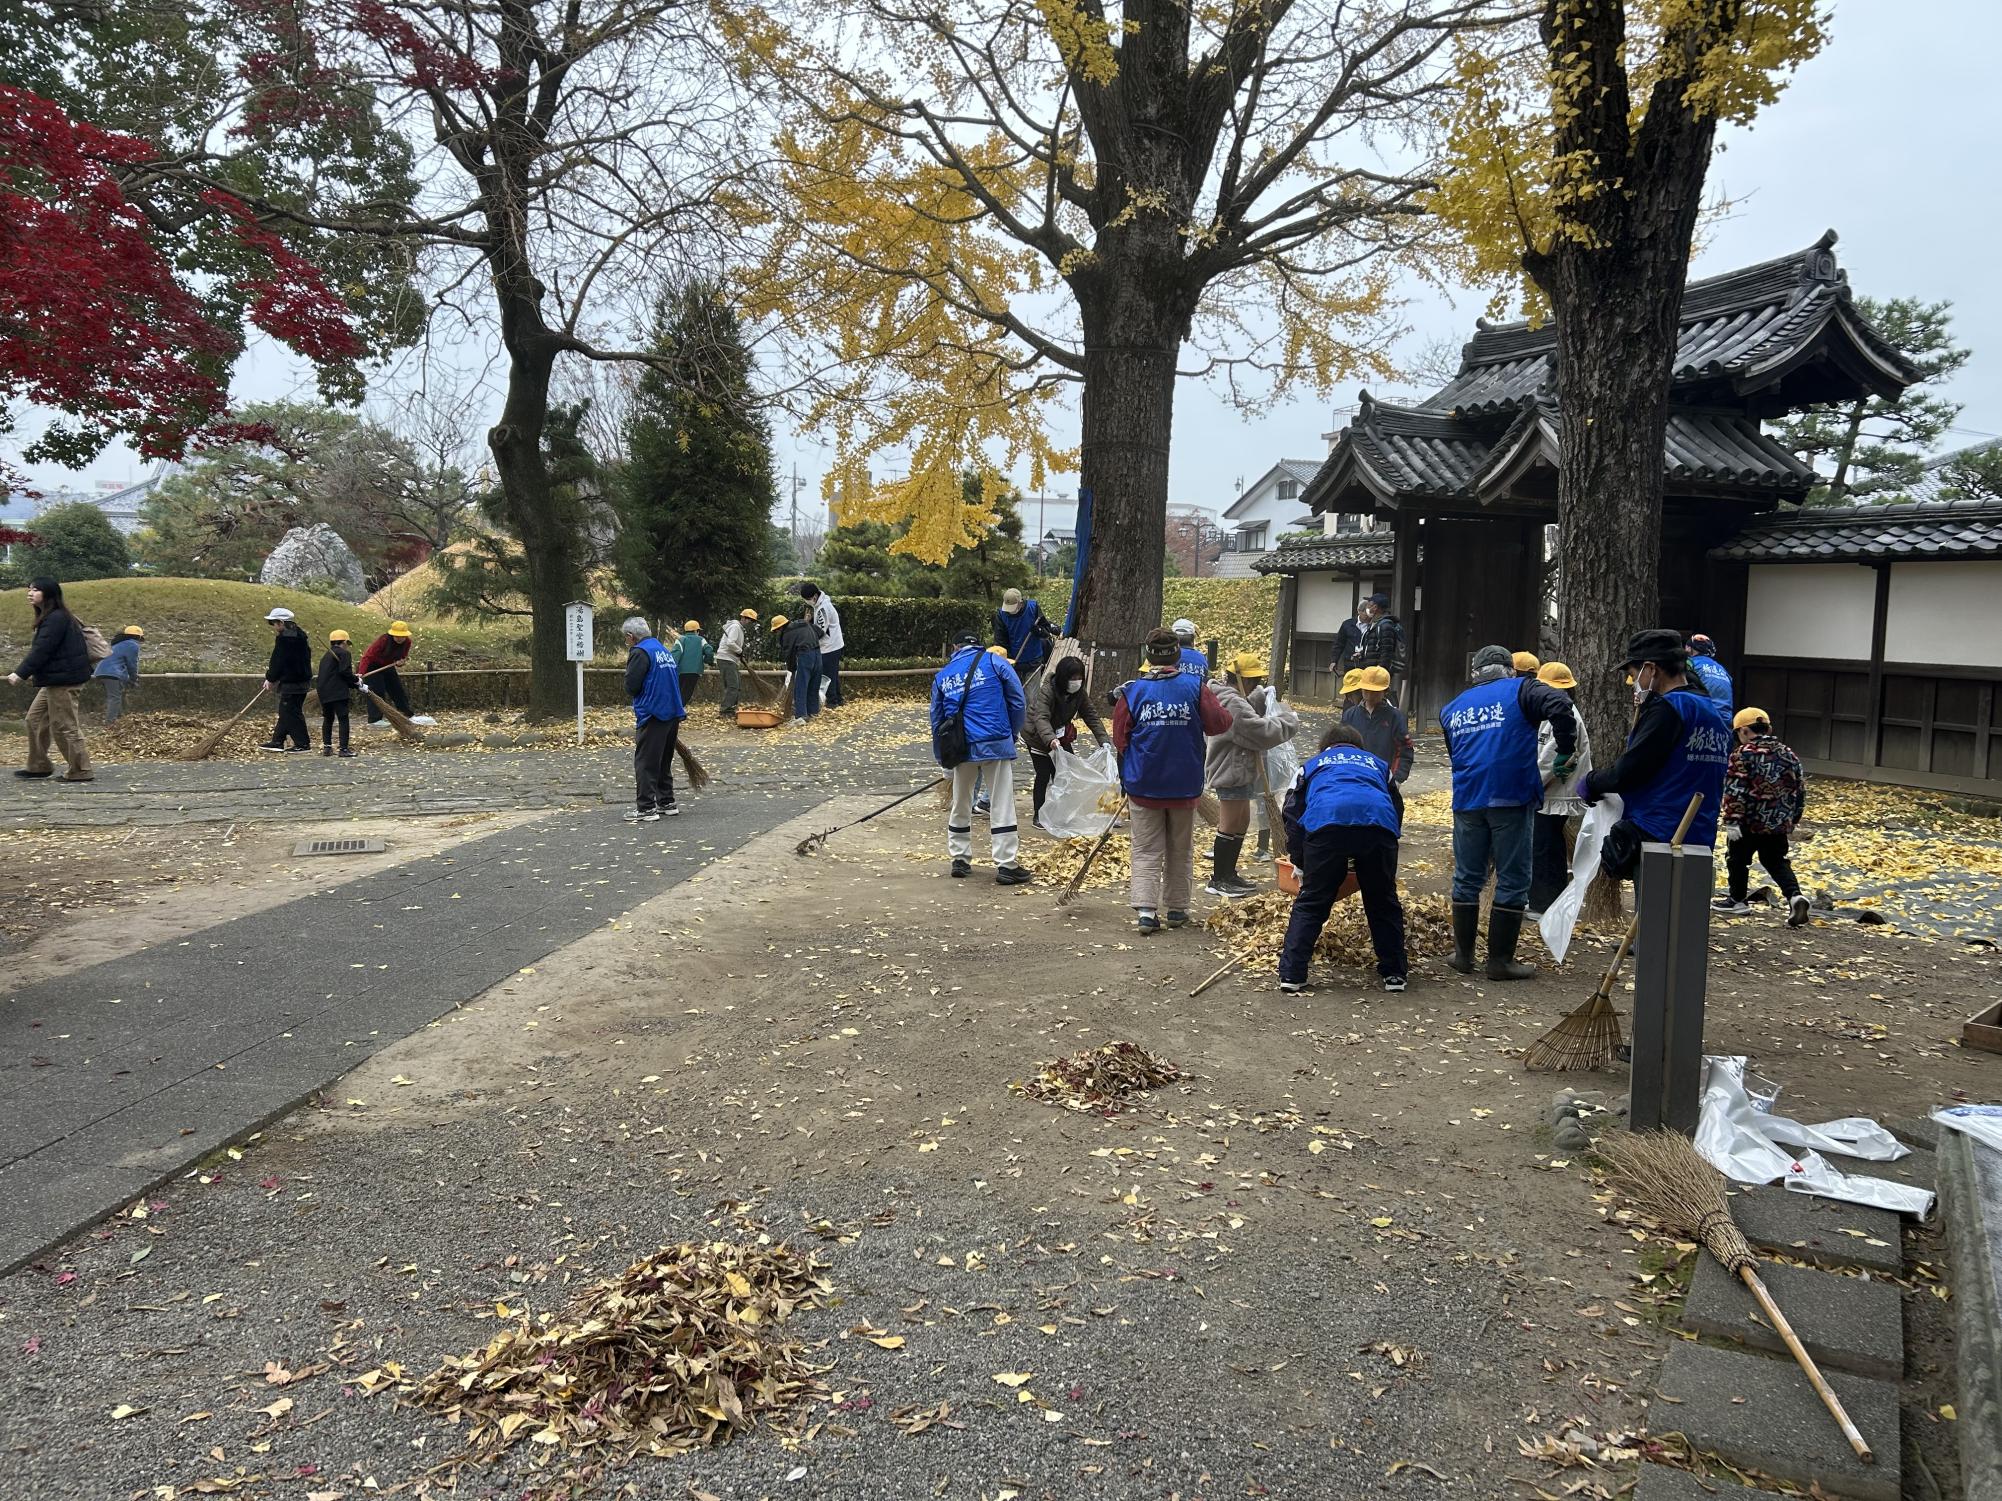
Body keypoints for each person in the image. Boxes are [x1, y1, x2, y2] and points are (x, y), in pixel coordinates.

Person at [1439, 643, 1578, 980]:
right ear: (1509, 669)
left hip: (1468, 799)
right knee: (1513, 878)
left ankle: (1463, 956)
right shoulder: (1522, 690)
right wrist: (1565, 748)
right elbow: (1561, 703)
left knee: (1468, 877)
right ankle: (1500, 961)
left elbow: (1453, 751)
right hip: (1510, 797)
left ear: (1475, 675)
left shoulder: (1452, 708)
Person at [1582, 628, 1733, 880]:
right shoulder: (1712, 712)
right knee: (1685, 914)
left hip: (1660, 834)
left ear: (1651, 669)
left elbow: (1630, 771)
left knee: (1656, 915)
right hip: (1699, 833)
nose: (1634, 684)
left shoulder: (1669, 709)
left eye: (1634, 674)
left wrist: (1590, 782)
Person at [1114, 627, 1233, 934]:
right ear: (1178, 654)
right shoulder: (1196, 687)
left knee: (1145, 848)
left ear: (1147, 656)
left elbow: (1120, 739)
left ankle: (1145, 911)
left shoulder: (1133, 691)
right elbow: (1220, 723)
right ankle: (1177, 909)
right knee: (1180, 847)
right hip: (1184, 784)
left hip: (1143, 784)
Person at [1278, 723, 1407, 994]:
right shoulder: (1378, 765)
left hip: (1326, 825)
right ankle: (1394, 973)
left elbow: (1291, 813)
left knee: (1313, 901)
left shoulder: (1311, 765)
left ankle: (1292, 973)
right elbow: (1396, 806)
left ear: (1325, 746)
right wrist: (1387, 844)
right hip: (1377, 827)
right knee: (1383, 900)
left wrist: (1301, 861)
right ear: (1359, 747)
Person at [930, 630, 1030, 884]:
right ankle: (1006, 864)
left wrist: (943, 760)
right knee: (1001, 802)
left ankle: (960, 859)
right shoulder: (995, 662)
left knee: (961, 802)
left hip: (961, 747)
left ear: (955, 647)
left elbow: (937, 721)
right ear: (978, 645)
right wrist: (1013, 732)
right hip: (995, 741)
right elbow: (1018, 701)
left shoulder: (942, 676)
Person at [1203, 652, 1298, 898]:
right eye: (1253, 681)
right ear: (1241, 679)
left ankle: (1229, 874)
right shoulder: (1230, 702)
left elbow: (1248, 715)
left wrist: (1258, 698)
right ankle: (1219, 878)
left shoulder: (1233, 697)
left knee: (1242, 821)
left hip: (1239, 767)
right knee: (1230, 823)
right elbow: (1258, 732)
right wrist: (1289, 721)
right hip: (1230, 768)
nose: (1256, 684)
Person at [1716, 707, 1810, 927]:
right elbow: (1800, 790)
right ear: (1768, 729)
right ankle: (1794, 896)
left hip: (1748, 822)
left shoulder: (1742, 754)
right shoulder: (1789, 754)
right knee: (1776, 861)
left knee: (1737, 860)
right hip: (1778, 822)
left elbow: (1735, 789)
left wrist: (1731, 820)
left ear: (1745, 731)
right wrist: (1793, 819)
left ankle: (1737, 900)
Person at [9, 577, 94, 782]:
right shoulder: (50, 617)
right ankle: (39, 765)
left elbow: (42, 650)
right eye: (29, 589)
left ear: (49, 594)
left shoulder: (56, 618)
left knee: (64, 725)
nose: (30, 593)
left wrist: (20, 673)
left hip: (64, 681)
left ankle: (81, 770)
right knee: (35, 719)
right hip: (55, 680)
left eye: (36, 590)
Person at [1528, 661, 1594, 915]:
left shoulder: (1561, 715)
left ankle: (1545, 902)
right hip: (1552, 791)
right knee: (1548, 844)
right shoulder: (1557, 710)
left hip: (1554, 792)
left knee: (1545, 847)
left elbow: (1548, 761)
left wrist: (1528, 785)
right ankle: (1544, 899)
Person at [1023, 652, 1108, 831]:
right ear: (1063, 678)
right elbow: (1041, 717)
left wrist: (1103, 740)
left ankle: (1061, 813)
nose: (1076, 681)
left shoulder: (1079, 693)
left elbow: (1091, 715)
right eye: (1072, 677)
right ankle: (1039, 814)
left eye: (1079, 677)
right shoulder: (1047, 691)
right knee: (1044, 774)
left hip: (1060, 737)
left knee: (1066, 774)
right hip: (1038, 737)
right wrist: (1050, 739)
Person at [622, 615, 685, 821]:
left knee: (646, 762)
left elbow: (632, 685)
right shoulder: (661, 649)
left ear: (631, 636)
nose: (626, 641)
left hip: (653, 712)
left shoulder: (640, 652)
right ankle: (667, 801)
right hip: (671, 712)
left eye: (626, 637)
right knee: (663, 760)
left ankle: (646, 808)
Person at [1343, 665, 1414, 782]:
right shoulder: (1349, 715)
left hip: (1383, 778)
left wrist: (1397, 779)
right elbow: (1341, 746)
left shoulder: (1395, 716)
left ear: (1385, 691)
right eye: (1366, 690)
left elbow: (1405, 749)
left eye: (1375, 691)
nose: (1370, 694)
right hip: (1354, 777)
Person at [259, 607, 313, 753]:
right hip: (302, 679)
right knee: (287, 711)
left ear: (281, 622)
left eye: (274, 623)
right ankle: (277, 740)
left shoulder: (286, 639)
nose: (274, 627)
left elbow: (278, 660)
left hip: (293, 682)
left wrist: (271, 678)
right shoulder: (299, 635)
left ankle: (303, 744)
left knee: (291, 711)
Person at [358, 620, 414, 726]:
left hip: (387, 665)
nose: (400, 638)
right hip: (372, 665)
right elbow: (367, 656)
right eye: (397, 636)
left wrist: (400, 662)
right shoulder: (383, 640)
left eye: (402, 636)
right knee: (377, 690)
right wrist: (361, 673)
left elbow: (402, 657)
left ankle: (406, 714)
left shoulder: (407, 642)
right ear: (392, 634)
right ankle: (375, 719)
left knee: (397, 689)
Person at [797, 582, 845, 707]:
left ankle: (832, 702)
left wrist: (806, 624)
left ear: (813, 597)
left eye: (807, 599)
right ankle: (838, 700)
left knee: (827, 676)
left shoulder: (823, 608)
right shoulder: (820, 605)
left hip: (830, 647)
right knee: (832, 673)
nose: (807, 602)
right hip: (832, 644)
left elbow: (820, 631)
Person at [1350, 592, 1407, 693]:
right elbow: (1375, 647)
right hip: (1373, 671)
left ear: (1375, 607)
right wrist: (1362, 654)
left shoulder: (1385, 626)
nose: (1367, 607)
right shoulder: (1376, 624)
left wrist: (1380, 673)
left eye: (1369, 604)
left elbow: (1386, 652)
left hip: (1378, 674)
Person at [317, 629, 359, 757]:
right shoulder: (344, 653)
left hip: (323, 691)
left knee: (328, 718)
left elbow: (337, 673)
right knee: (343, 718)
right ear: (344, 642)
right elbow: (344, 672)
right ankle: (344, 749)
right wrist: (357, 681)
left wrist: (354, 680)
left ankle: (327, 747)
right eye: (347, 643)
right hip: (338, 691)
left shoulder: (326, 656)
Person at [773, 613, 823, 720]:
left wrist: (791, 669)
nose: (776, 632)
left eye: (776, 630)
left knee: (801, 687)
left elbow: (789, 654)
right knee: (813, 685)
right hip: (817, 654)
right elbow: (820, 633)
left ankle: (801, 715)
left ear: (781, 627)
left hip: (805, 656)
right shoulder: (803, 623)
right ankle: (813, 713)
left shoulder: (787, 634)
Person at [93, 624, 143, 725]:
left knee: (117, 695)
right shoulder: (133, 645)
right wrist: (134, 679)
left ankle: (120, 719)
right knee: (115, 697)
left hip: (102, 671)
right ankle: (110, 723)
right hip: (112, 673)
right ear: (138, 637)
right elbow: (132, 664)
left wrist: (128, 679)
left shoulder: (118, 644)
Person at [715, 607, 758, 718]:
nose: (750, 622)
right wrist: (740, 651)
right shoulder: (735, 627)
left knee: (737, 685)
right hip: (726, 658)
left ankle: (731, 709)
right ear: (743, 617)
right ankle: (725, 711)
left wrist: (739, 654)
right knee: (733, 686)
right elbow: (730, 643)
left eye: (752, 621)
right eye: (749, 619)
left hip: (731, 659)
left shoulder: (738, 628)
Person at [1687, 633, 1734, 712]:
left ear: (1688, 648)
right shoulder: (1722, 669)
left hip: (1704, 717)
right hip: (1726, 718)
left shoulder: (1690, 663)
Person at [672, 620, 714, 703]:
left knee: (678, 692)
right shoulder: (701, 640)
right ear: (696, 631)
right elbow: (709, 651)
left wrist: (672, 668)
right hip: (695, 671)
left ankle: (675, 710)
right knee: (686, 694)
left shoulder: (680, 640)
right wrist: (708, 661)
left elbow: (675, 655)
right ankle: (678, 712)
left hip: (680, 671)